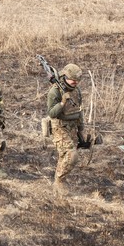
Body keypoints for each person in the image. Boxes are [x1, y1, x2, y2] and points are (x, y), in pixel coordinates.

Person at [46, 63, 91, 195]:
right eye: (73, 80)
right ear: (65, 76)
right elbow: (52, 113)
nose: (75, 82)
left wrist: (81, 130)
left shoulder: (76, 91)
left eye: (77, 80)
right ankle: (60, 181)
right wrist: (62, 103)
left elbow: (79, 110)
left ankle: (57, 185)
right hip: (59, 126)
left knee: (64, 156)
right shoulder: (55, 91)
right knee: (71, 155)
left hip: (72, 126)